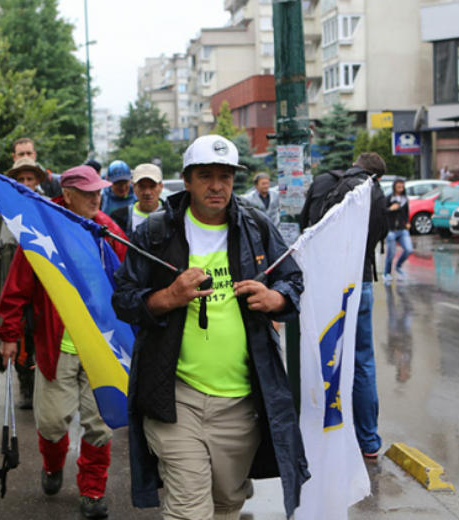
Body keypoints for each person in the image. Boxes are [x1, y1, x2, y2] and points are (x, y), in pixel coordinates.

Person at [113, 134, 308, 520]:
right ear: (187, 180)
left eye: (225, 176)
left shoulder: (255, 226)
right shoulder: (155, 233)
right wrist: (169, 296)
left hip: (241, 403)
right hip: (174, 398)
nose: (217, 186)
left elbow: (293, 281)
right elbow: (123, 299)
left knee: (226, 505)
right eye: (206, 176)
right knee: (188, 509)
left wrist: (277, 299)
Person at [0, 164, 127, 518]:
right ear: (66, 195)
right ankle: (53, 465)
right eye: (87, 192)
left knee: (99, 425)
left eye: (98, 190)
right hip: (57, 348)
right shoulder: (42, 230)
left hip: (101, 347)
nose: (96, 197)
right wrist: (8, 335)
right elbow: (16, 289)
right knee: (52, 424)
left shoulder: (108, 230)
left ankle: (92, 491)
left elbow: (129, 283)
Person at [298, 152, 388, 459]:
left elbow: (304, 228)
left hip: (325, 283)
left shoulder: (324, 182)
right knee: (363, 361)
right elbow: (378, 238)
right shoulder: (375, 192)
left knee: (323, 355)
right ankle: (369, 441)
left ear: (354, 163)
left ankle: (324, 434)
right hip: (359, 282)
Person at [0, 157, 47, 409]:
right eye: (20, 179)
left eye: (30, 179)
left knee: (38, 332)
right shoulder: (1, 211)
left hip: (40, 285)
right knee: (17, 332)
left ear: (37, 182)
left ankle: (42, 383)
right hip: (8, 284)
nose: (25, 183)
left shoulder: (46, 207)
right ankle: (25, 384)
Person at [110, 163, 166, 235]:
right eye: (142, 187)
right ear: (134, 187)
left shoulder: (172, 215)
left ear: (161, 187)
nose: (147, 192)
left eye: (152, 186)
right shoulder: (119, 217)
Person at [384, 179, 413, 281]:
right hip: (391, 230)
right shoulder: (388, 198)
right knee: (391, 254)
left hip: (402, 229)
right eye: (398, 185)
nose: (401, 187)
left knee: (409, 249)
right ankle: (387, 273)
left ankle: (398, 266)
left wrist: (408, 222)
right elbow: (383, 212)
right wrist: (391, 209)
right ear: (394, 187)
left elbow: (406, 212)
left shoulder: (405, 199)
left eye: (402, 186)